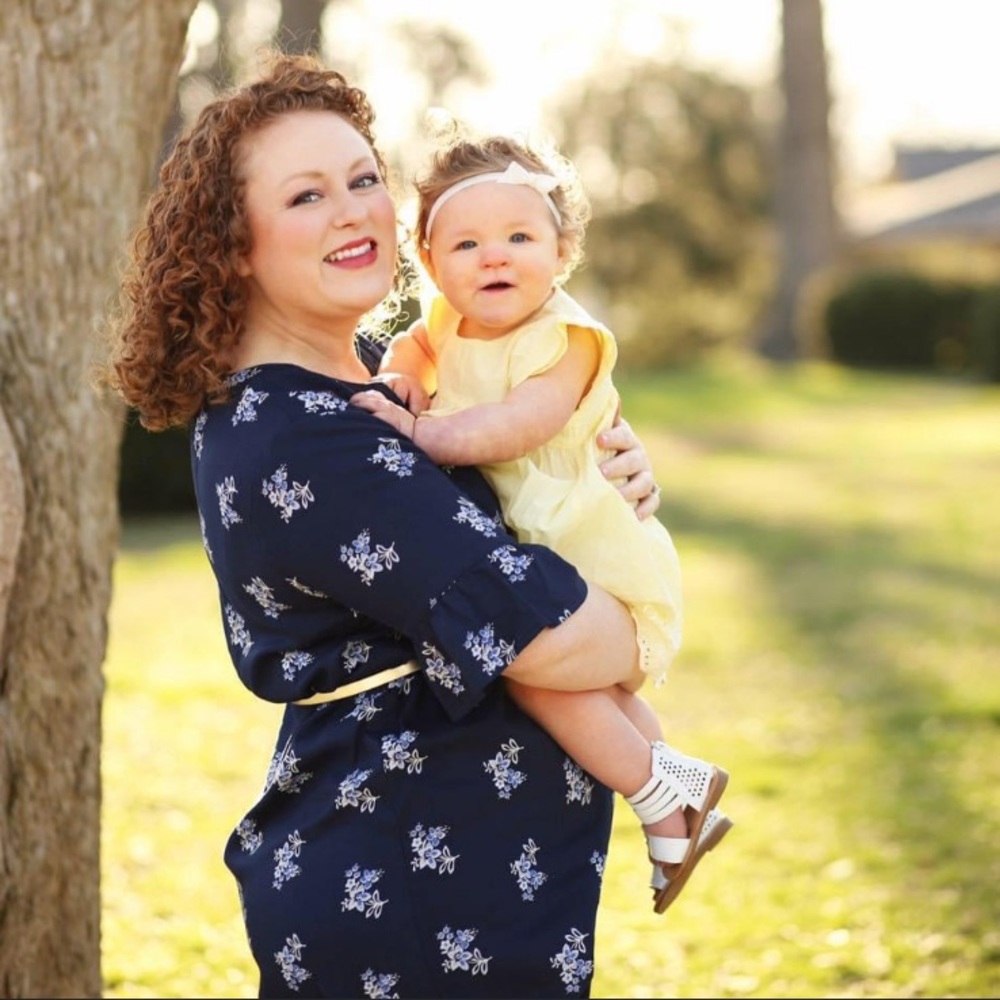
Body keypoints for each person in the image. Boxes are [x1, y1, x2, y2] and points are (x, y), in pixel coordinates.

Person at [98, 51, 729, 998]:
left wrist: (600, 485)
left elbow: (515, 529)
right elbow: (569, 641)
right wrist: (627, 602)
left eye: (363, 178)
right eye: (307, 196)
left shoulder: (380, 392)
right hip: (405, 912)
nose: (354, 209)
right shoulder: (308, 437)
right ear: (237, 244)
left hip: (464, 899)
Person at [352, 132, 733, 914]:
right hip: (540, 556)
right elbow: (411, 347)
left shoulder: (567, 338)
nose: (494, 257)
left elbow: (520, 424)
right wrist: (400, 379)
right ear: (430, 261)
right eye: (467, 243)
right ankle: (683, 777)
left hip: (595, 553)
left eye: (519, 238)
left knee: (532, 675)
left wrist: (423, 435)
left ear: (561, 253)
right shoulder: (445, 323)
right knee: (579, 685)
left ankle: (661, 805)